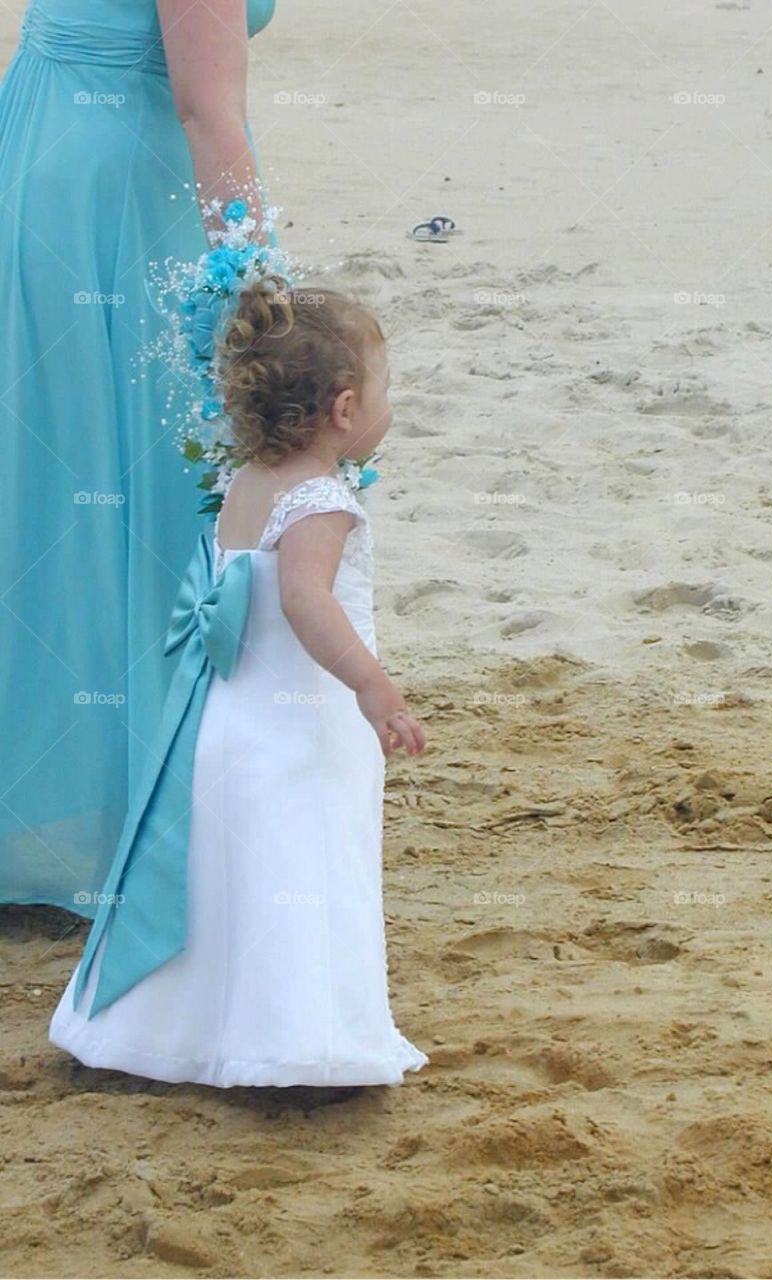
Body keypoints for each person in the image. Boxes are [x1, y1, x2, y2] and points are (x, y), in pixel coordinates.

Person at [49, 277, 431, 1088]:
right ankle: (303, 1042)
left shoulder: (246, 484)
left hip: (224, 718)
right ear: (343, 409)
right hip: (300, 724)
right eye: (386, 390)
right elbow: (303, 601)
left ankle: (178, 1033)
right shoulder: (322, 500)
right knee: (307, 865)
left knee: (230, 877)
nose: (391, 407)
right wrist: (370, 684)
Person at [0, 0, 277, 917]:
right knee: (153, 483)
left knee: (52, 486)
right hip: (121, 196)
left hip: (47, 146)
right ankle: (138, 820)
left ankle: (59, 801)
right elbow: (207, 106)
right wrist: (253, 291)